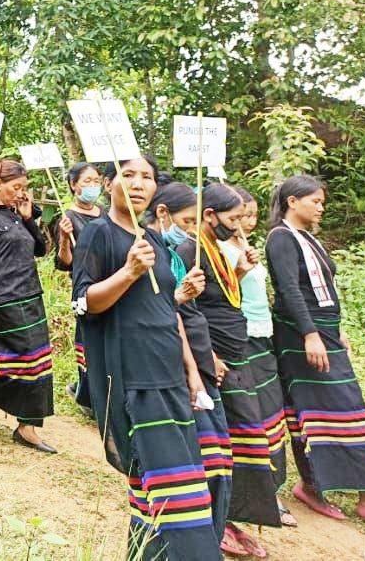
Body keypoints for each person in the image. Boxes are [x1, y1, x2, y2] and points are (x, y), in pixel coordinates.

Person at [72, 155, 221, 560]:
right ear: (108, 185)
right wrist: (128, 272)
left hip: (170, 373)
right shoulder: (98, 234)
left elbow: (163, 310)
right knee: (176, 490)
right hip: (134, 378)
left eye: (147, 177)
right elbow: (85, 303)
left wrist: (191, 372)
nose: (138, 183)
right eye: (128, 175)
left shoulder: (153, 239)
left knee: (164, 488)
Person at [266, 175, 365, 521]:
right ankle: (314, 486)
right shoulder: (281, 238)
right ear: (292, 201)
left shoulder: (307, 238)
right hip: (300, 336)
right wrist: (310, 334)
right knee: (311, 412)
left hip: (326, 332)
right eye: (315, 201)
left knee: (349, 410)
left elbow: (323, 291)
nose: (321, 207)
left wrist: (336, 330)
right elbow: (289, 290)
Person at [175, 183, 279, 556]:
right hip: (214, 359)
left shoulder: (217, 250)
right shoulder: (189, 251)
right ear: (209, 215)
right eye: (232, 218)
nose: (238, 226)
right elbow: (186, 309)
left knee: (246, 437)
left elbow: (220, 296)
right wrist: (209, 357)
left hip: (237, 354)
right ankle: (214, 522)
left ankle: (230, 518)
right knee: (222, 442)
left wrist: (238, 269)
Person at [145, 179, 231, 547]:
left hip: (197, 362)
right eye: (187, 219)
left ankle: (209, 540)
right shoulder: (147, 257)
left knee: (218, 461)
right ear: (162, 213)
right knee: (196, 463)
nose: (192, 229)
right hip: (173, 368)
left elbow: (188, 315)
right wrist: (194, 372)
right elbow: (157, 315)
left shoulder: (175, 256)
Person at [0, 159, 56, 452]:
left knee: (40, 362)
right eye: (16, 187)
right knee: (20, 363)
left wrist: (29, 218)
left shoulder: (19, 215)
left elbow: (41, 249)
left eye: (24, 188)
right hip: (5, 299)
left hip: (32, 294)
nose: (20, 193)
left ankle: (27, 426)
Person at [223, 185, 296, 528]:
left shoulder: (246, 245)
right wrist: (238, 270)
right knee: (253, 415)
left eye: (251, 215)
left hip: (264, 336)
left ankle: (273, 488)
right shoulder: (220, 248)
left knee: (271, 413)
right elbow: (221, 295)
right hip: (242, 339)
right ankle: (257, 492)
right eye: (240, 215)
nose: (247, 222)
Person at [53, 161, 103, 418]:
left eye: (96, 181)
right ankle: (88, 395)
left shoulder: (105, 213)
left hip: (111, 283)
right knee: (89, 341)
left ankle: (90, 391)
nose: (93, 186)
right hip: (86, 288)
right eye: (87, 182)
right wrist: (63, 239)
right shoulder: (67, 219)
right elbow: (66, 262)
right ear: (73, 185)